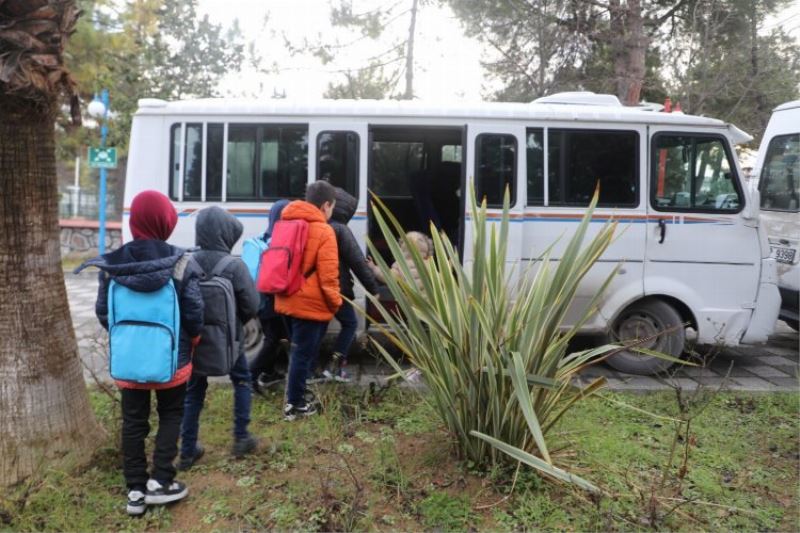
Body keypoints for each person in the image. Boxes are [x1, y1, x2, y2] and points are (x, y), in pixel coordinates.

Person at [78, 190, 204, 516]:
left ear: (135, 222)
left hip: (128, 360)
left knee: (133, 422)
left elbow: (104, 312)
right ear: (166, 222)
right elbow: (193, 313)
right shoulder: (182, 262)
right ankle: (161, 481)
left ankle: (134, 492)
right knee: (171, 414)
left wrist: (129, 338)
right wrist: (194, 338)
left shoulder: (112, 263)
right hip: (172, 359)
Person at [178, 206, 261, 470]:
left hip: (194, 340)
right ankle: (241, 437)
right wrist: (234, 322)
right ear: (226, 234)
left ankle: (188, 450)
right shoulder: (234, 265)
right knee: (242, 381)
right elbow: (252, 305)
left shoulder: (186, 262)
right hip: (230, 341)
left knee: (193, 392)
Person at [275, 181, 342, 420]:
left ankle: (298, 398)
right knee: (302, 356)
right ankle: (294, 406)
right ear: (326, 205)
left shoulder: (285, 222)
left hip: (285, 299)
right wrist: (336, 304)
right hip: (309, 305)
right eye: (332, 206)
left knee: (298, 355)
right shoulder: (325, 231)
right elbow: (328, 277)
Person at [323, 187, 380, 382]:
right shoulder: (340, 229)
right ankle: (335, 367)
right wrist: (373, 288)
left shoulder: (321, 226)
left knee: (319, 326)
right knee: (350, 324)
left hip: (321, 287)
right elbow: (357, 262)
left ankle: (310, 370)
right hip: (338, 288)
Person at [249, 199, 291, 395]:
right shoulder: (279, 243)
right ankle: (250, 376)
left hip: (261, 299)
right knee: (274, 339)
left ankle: (269, 372)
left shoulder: (263, 238)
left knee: (278, 337)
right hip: (271, 301)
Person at [368, 231, 434, 291]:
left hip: (407, 301)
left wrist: (374, 268)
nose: (414, 241)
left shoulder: (400, 265)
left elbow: (388, 278)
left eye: (420, 240)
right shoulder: (429, 264)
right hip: (427, 300)